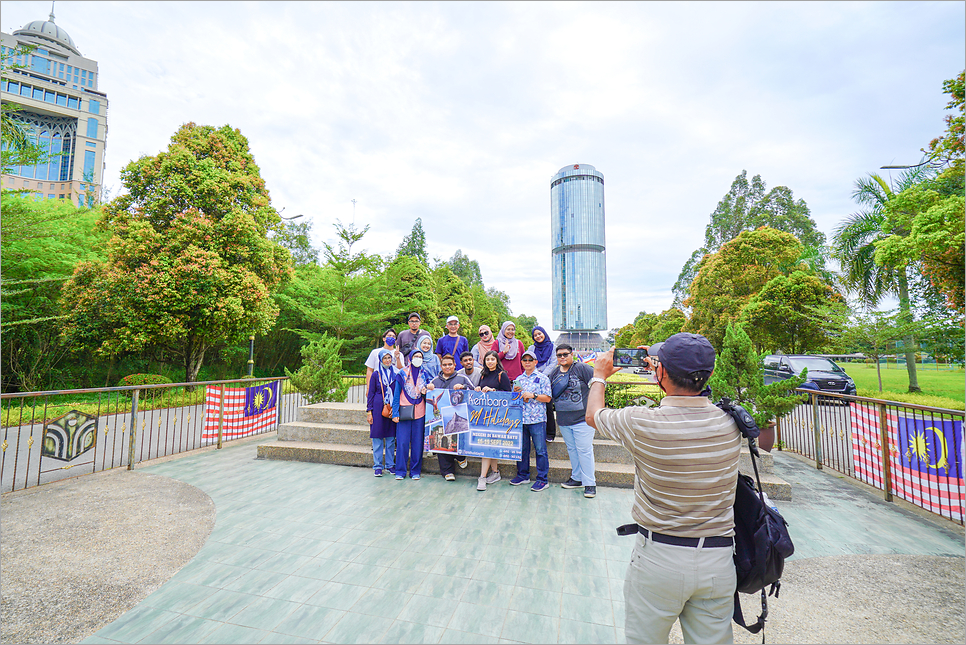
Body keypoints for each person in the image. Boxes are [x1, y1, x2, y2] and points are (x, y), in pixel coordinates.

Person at [586, 334, 741, 645]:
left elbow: (593, 416)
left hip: (660, 558)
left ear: (661, 373)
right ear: (709, 374)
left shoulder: (643, 423)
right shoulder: (731, 423)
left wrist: (599, 376)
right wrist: (665, 371)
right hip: (718, 559)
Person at [548, 343, 597, 498]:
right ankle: (577, 478)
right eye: (559, 355)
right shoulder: (554, 372)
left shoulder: (582, 368)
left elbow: (598, 383)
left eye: (565, 354)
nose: (562, 357)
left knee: (585, 450)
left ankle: (590, 483)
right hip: (563, 419)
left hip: (583, 419)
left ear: (572, 354)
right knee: (572, 450)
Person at [426, 354, 474, 481]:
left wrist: (463, 388)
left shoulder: (462, 378)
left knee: (459, 436)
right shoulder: (435, 380)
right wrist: (428, 388)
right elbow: (425, 393)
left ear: (454, 365)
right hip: (440, 417)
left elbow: (474, 391)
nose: (447, 367)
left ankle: (460, 457)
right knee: (441, 441)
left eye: (450, 364)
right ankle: (447, 471)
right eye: (445, 365)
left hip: (459, 415)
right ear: (441, 366)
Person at [509, 348, 552, 492]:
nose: (527, 362)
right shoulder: (518, 379)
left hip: (537, 419)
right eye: (524, 360)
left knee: (540, 450)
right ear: (521, 362)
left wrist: (533, 395)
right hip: (521, 419)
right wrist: (516, 394)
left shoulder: (543, 378)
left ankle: (542, 479)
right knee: (522, 449)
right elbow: (514, 399)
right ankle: (523, 475)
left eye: (530, 360)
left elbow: (547, 398)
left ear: (535, 362)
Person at [475, 350, 512, 491]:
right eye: (487, 359)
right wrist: (478, 389)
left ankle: (482, 477)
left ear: (497, 360)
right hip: (485, 415)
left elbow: (508, 395)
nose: (490, 361)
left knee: (488, 446)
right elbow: (481, 390)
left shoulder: (502, 375)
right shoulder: (483, 374)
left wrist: (493, 391)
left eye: (492, 359)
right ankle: (495, 472)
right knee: (491, 445)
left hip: (498, 416)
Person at [392, 348, 430, 480]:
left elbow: (429, 393)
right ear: (410, 358)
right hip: (404, 411)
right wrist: (395, 412)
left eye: (420, 356)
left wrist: (426, 391)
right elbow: (396, 394)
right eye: (416, 356)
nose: (418, 358)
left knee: (417, 443)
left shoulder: (425, 374)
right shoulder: (402, 374)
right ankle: (400, 471)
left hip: (420, 412)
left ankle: (415, 471)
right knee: (402, 442)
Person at [365, 349, 398, 476]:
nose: (388, 360)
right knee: (377, 437)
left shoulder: (396, 373)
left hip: (391, 408)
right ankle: (378, 466)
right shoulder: (376, 374)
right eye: (385, 358)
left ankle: (390, 465)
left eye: (389, 358)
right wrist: (369, 411)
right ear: (380, 360)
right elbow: (371, 394)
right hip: (378, 408)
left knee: (390, 438)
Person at [527, 325, 557, 441]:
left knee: (548, 406)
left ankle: (550, 433)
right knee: (533, 404)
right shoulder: (531, 348)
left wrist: (542, 376)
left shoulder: (553, 347)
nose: (538, 336)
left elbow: (553, 363)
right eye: (535, 335)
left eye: (539, 334)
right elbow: (527, 361)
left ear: (544, 333)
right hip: (533, 380)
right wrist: (535, 375)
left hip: (547, 380)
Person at [364, 329, 403, 396]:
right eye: (389, 336)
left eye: (393, 336)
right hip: (378, 384)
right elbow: (369, 370)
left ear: (396, 340)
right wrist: (368, 387)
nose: (391, 338)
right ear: (384, 339)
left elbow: (401, 369)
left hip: (393, 384)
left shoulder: (399, 354)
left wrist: (397, 358)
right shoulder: (375, 352)